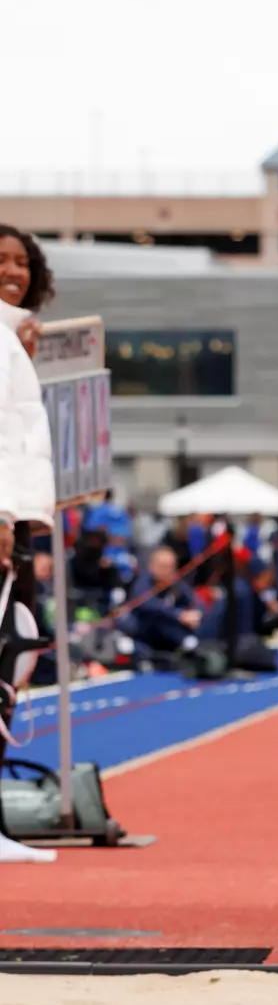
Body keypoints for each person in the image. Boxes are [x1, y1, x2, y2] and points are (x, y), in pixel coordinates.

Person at [0, 224, 57, 864]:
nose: (13, 271)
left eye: (22, 262)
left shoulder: (13, 336)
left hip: (16, 520)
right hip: (3, 518)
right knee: (6, 656)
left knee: (13, 657)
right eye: (0, 261)